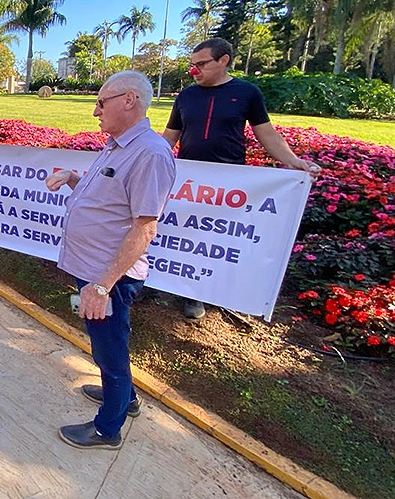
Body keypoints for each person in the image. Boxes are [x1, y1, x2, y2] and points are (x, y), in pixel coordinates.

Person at [47, 71, 176, 450]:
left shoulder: (150, 153)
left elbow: (143, 227)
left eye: (101, 102)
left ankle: (108, 429)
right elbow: (106, 196)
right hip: (94, 271)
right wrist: (72, 177)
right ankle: (125, 398)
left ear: (129, 100)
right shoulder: (119, 145)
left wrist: (103, 285)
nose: (95, 111)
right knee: (106, 344)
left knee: (110, 350)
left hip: (109, 278)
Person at [163, 37, 321, 319]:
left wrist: (294, 162)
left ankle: (200, 294)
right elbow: (169, 137)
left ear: (223, 61)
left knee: (213, 238)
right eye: (191, 66)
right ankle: (171, 285)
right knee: (182, 233)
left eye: (201, 64)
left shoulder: (247, 92)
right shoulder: (186, 96)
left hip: (230, 181)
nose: (194, 71)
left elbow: (267, 134)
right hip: (188, 180)